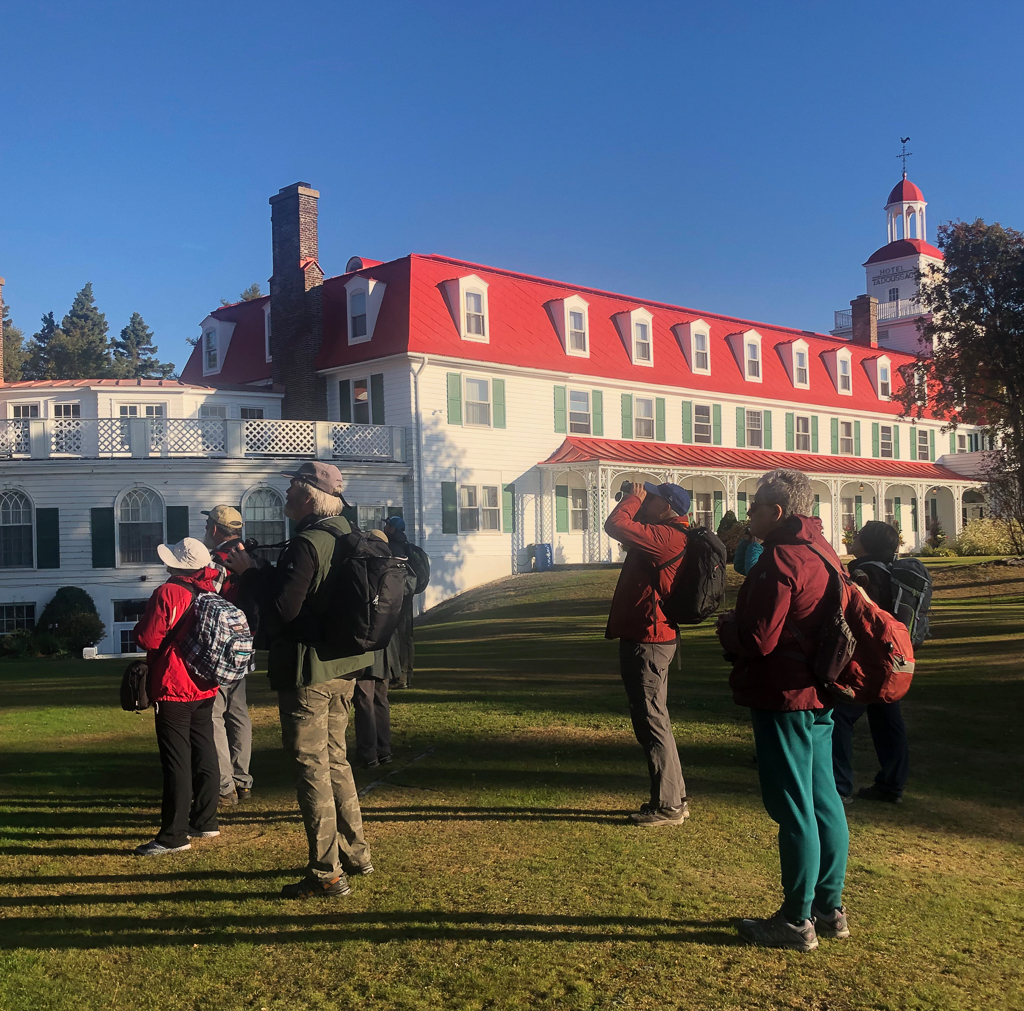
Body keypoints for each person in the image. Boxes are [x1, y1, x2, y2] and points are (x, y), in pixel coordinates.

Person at [225, 461, 373, 899]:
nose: (285, 495)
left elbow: (284, 610)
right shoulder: (347, 533)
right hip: (344, 666)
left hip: (308, 672)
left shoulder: (307, 543)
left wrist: (250, 574)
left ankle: (326, 873)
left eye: (291, 488)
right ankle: (356, 854)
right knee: (336, 759)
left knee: (311, 768)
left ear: (308, 496)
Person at [716, 469, 849, 952]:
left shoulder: (779, 559)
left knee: (794, 807)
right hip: (820, 689)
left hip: (784, 695)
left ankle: (796, 920)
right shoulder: (823, 549)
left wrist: (727, 628)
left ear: (775, 512)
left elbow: (759, 638)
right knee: (823, 800)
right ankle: (828, 908)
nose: (748, 514)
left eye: (753, 507)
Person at [604, 481, 691, 827]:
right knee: (656, 718)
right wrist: (635, 500)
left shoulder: (666, 537)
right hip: (651, 638)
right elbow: (626, 526)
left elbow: (616, 525)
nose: (644, 501)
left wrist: (632, 498)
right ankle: (675, 797)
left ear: (666, 507)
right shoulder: (663, 533)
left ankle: (668, 806)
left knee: (651, 721)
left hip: (649, 641)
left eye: (651, 498)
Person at [132, 537, 221, 856]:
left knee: (176, 760)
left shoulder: (168, 592)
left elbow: (148, 638)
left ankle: (173, 836)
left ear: (177, 565)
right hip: (205, 683)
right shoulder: (211, 590)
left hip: (174, 684)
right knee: (204, 750)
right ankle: (205, 819)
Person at [831, 520, 910, 805]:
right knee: (888, 719)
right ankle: (891, 784)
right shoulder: (891, 573)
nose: (854, 536)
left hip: (868, 659)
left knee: (840, 715)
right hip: (893, 656)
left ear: (868, 544)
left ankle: (840, 786)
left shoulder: (862, 574)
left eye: (860, 535)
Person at [202, 504, 254, 807]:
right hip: (246, 644)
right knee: (238, 712)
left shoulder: (216, 563)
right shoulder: (250, 558)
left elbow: (207, 601)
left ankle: (225, 786)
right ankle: (243, 780)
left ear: (214, 529)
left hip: (220, 647)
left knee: (214, 715)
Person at [353, 530, 395, 769]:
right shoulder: (395, 570)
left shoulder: (366, 568)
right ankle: (384, 749)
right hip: (387, 644)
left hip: (367, 643)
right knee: (380, 698)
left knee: (364, 699)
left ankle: (368, 752)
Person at [382, 516, 418, 689]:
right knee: (407, 636)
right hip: (408, 594)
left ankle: (400, 677)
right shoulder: (406, 545)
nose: (385, 527)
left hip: (399, 595)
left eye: (387, 525)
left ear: (393, 529)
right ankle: (407, 675)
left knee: (397, 635)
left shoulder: (393, 548)